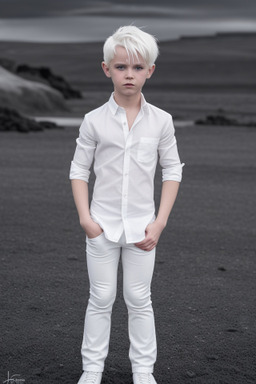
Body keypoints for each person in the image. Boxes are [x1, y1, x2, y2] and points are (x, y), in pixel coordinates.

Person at [69, 25, 184, 384]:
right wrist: (86, 219)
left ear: (150, 70)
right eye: (121, 67)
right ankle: (92, 370)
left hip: (142, 228)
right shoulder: (94, 120)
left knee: (139, 298)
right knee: (100, 298)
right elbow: (78, 169)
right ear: (107, 69)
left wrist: (159, 222)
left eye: (137, 68)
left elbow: (172, 170)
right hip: (101, 227)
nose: (129, 75)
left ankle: (143, 371)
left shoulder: (161, 121)